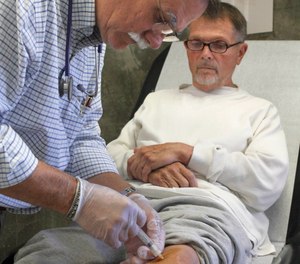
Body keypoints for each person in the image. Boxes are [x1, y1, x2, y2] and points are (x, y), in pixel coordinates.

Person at [12, 2, 288, 264]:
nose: (206, 53)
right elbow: (112, 153)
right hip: (133, 202)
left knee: (183, 254)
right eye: (196, 43)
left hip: (206, 209)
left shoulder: (259, 110)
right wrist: (142, 171)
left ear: (240, 53)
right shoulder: (157, 99)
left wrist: (188, 153)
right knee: (47, 251)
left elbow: (267, 182)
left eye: (218, 45)